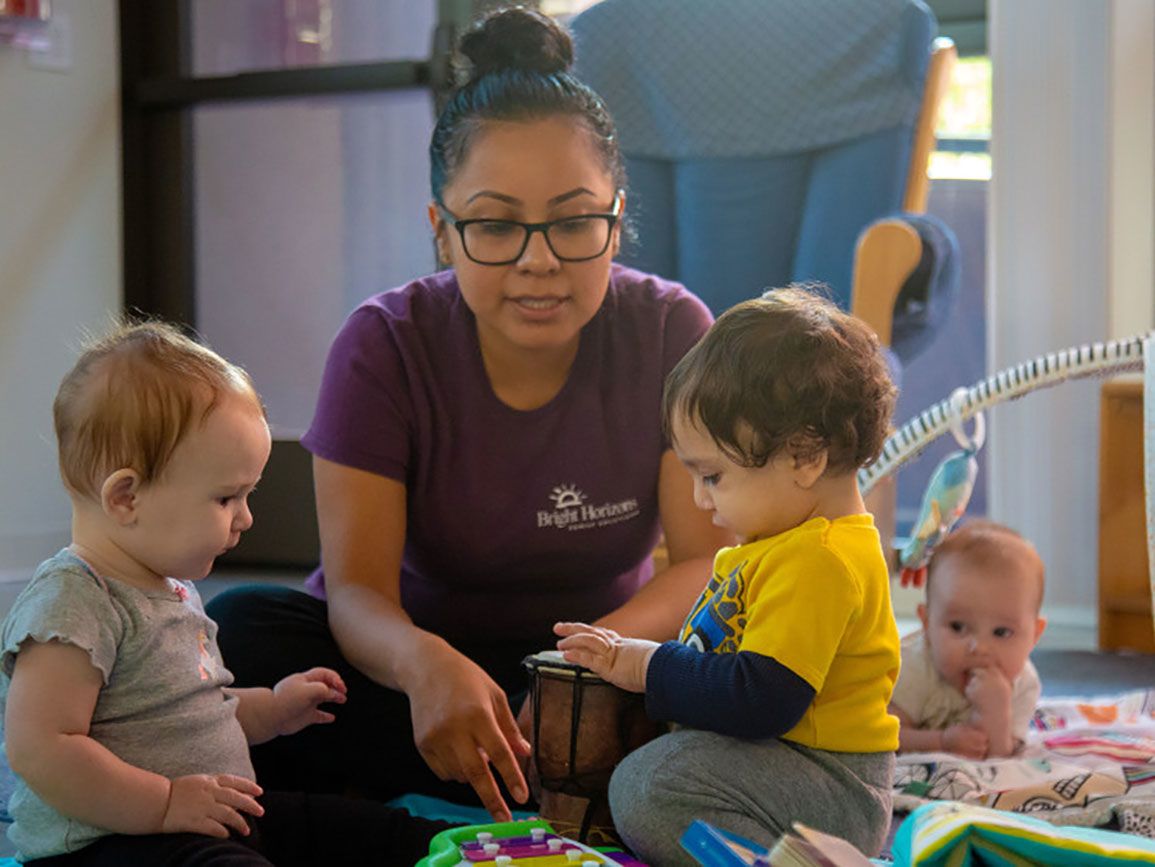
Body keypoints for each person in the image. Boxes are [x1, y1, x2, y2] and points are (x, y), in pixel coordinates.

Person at [205, 6, 731, 822]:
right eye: (493, 224)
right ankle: (539, 787)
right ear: (442, 233)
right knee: (240, 632)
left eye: (573, 219)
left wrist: (583, 664)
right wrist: (423, 666)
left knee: (738, 673)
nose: (538, 258)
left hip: (601, 657)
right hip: (414, 663)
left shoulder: (671, 331)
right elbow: (356, 592)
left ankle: (429, 796)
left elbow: (700, 564)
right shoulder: (383, 345)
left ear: (616, 219)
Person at [0, 323, 447, 866]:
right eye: (226, 498)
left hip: (207, 822)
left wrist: (274, 709)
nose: (246, 518)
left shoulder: (172, 590)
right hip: (114, 845)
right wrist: (164, 804)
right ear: (126, 496)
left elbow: (197, 714)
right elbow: (40, 747)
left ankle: (450, 848)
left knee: (343, 826)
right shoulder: (74, 601)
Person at [556, 287, 902, 864]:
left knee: (652, 784)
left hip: (831, 788)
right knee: (648, 772)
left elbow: (760, 698)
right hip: (778, 770)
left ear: (804, 457)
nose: (697, 497)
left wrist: (645, 664)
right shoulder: (780, 543)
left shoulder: (822, 557)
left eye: (712, 476)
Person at [889, 519, 1047, 759]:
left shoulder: (1023, 683)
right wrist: (940, 742)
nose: (979, 648)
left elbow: (1000, 758)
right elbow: (885, 734)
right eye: (958, 627)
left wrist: (997, 714)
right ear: (926, 624)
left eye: (1001, 632)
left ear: (1034, 635)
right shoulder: (912, 666)